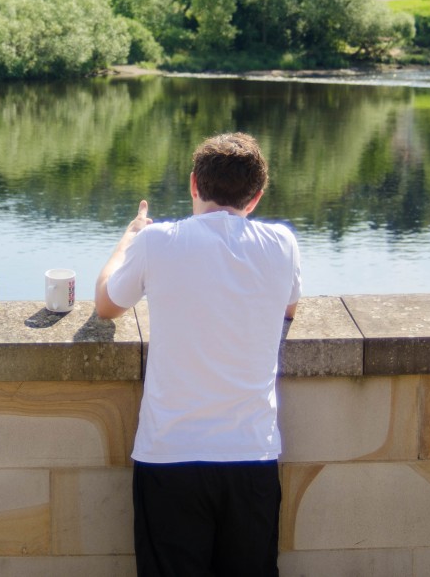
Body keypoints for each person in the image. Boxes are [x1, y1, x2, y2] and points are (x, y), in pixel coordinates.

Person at [95, 131, 300, 577]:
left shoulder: (158, 242)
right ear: (257, 196)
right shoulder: (283, 244)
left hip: (171, 454)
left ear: (193, 184)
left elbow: (106, 306)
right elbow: (288, 306)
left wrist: (129, 239)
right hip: (251, 455)